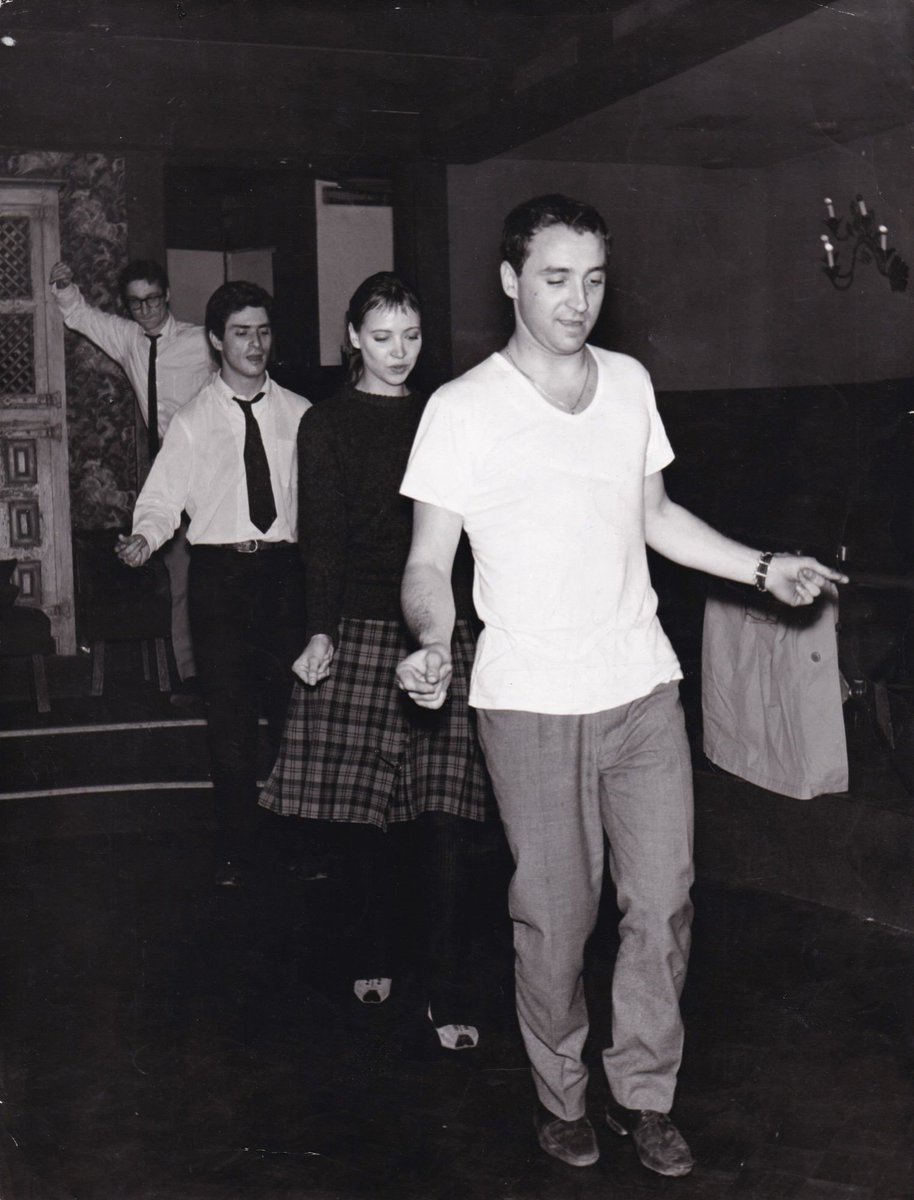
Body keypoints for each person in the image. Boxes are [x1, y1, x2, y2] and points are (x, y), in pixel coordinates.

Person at [396, 195, 847, 1174]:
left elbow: (656, 517)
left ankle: (643, 1093)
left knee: (663, 899)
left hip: (639, 684)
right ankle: (559, 1094)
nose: (578, 301)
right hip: (528, 698)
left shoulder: (630, 384)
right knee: (557, 919)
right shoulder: (461, 409)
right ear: (511, 280)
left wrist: (763, 568)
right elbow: (428, 562)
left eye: (594, 279)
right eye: (556, 279)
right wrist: (430, 639)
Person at [260, 272, 491, 1050]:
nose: (399, 352)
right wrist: (319, 631)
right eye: (383, 337)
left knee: (447, 816)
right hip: (357, 627)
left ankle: (448, 989)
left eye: (412, 336)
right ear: (353, 338)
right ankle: (372, 948)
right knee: (364, 821)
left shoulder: (443, 415)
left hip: (440, 631)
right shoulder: (325, 424)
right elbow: (321, 539)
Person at [117, 281, 310, 887]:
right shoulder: (194, 419)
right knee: (230, 725)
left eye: (263, 331)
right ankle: (238, 853)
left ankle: (297, 848)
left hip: (285, 577)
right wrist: (144, 537)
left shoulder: (302, 413)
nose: (255, 344)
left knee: (294, 719)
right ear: (215, 341)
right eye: (241, 332)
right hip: (221, 582)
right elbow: (162, 498)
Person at [49, 258, 213, 702]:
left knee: (222, 576)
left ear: (167, 296)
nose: (145, 310)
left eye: (153, 299)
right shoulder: (129, 339)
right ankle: (192, 677)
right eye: (135, 303)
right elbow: (82, 317)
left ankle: (235, 673)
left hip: (213, 469)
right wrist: (64, 287)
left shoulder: (201, 341)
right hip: (169, 473)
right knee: (180, 578)